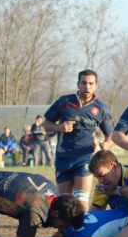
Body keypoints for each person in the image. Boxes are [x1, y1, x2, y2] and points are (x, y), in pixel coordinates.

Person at [43, 69, 114, 212]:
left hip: (85, 158)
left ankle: (82, 233)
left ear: (96, 86)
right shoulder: (64, 102)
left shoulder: (102, 108)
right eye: (84, 83)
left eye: (90, 83)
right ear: (78, 84)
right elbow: (45, 125)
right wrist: (59, 127)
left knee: (81, 203)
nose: (87, 86)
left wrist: (106, 144)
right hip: (63, 158)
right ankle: (65, 234)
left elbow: (111, 135)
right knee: (65, 205)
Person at [88, 149, 128, 215]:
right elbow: (94, 212)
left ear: (114, 167)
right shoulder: (102, 184)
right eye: (97, 177)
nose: (100, 180)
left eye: (101, 175)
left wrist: (117, 190)